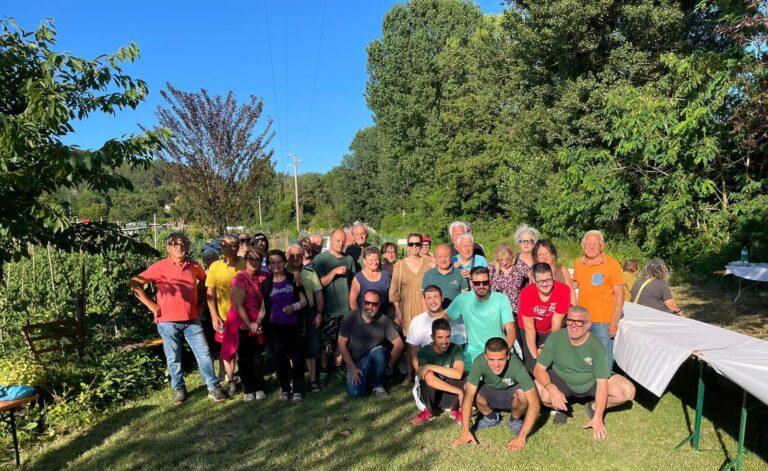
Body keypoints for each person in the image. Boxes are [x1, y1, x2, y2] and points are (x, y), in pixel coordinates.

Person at [129, 232, 226, 404]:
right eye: (175, 244)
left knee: (203, 354)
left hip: (192, 320)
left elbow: (206, 281)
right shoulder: (159, 267)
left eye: (183, 244)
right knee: (173, 357)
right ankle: (179, 389)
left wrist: (202, 302)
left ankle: (213, 387)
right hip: (167, 321)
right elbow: (134, 283)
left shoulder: (193, 266)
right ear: (168, 248)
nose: (180, 247)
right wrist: (151, 305)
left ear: (187, 247)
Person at [533, 306, 636, 436]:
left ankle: (593, 407)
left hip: (590, 381)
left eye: (579, 322)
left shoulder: (596, 345)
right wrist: (552, 389)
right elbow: (538, 369)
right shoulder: (555, 338)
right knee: (535, 390)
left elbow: (602, 383)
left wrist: (598, 417)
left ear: (588, 324)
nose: (573, 326)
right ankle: (560, 408)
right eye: (570, 320)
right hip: (562, 380)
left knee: (627, 391)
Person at [452, 337, 540, 452]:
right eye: (491, 360)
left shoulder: (517, 366)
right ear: (485, 356)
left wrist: (521, 438)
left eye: (501, 359)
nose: (496, 364)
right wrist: (465, 431)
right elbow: (468, 397)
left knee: (523, 393)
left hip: (511, 396)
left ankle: (515, 419)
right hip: (490, 393)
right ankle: (491, 417)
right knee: (467, 388)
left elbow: (535, 404)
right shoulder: (479, 362)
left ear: (508, 356)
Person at [572, 230, 624, 369]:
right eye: (588, 243)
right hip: (582, 321)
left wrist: (614, 320)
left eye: (595, 243)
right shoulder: (578, 263)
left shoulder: (612, 264)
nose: (591, 246)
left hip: (603, 322)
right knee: (584, 358)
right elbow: (575, 284)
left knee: (603, 359)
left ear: (602, 246)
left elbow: (620, 293)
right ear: (582, 246)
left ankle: (605, 387)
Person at [262, 249, 308, 403]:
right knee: (280, 359)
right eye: (272, 262)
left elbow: (304, 301)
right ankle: (285, 388)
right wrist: (256, 322)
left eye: (279, 262)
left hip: (293, 325)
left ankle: (298, 389)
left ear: (284, 263)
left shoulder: (293, 278)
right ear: (269, 265)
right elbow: (263, 307)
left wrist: (293, 307)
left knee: (297, 358)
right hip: (275, 328)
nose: (276, 265)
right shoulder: (266, 283)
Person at [338, 290, 404, 398]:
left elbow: (399, 344)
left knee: (379, 352)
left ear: (379, 305)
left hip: (375, 359)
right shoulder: (350, 317)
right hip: (355, 362)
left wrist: (389, 365)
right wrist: (352, 367)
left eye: (374, 304)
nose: (370, 306)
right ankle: (368, 381)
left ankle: (377, 383)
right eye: (367, 303)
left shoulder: (384, 320)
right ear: (363, 302)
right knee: (355, 395)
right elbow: (341, 344)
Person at [446, 267, 516, 368]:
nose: (481, 286)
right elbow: (443, 320)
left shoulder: (501, 299)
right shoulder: (462, 299)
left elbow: (510, 329)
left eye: (485, 282)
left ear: (490, 282)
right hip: (473, 352)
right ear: (471, 283)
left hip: (498, 352)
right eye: (477, 283)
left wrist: (505, 351)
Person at [224, 247, 267, 401]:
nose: (254, 262)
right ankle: (248, 389)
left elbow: (266, 301)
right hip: (242, 323)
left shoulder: (265, 276)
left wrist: (258, 321)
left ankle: (260, 386)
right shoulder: (239, 279)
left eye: (258, 260)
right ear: (246, 261)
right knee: (245, 357)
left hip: (258, 322)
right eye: (251, 259)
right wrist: (250, 324)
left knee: (257, 356)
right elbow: (238, 305)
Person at [313, 229, 356, 383]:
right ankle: (324, 371)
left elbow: (353, 284)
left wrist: (353, 307)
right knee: (327, 343)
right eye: (338, 240)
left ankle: (338, 369)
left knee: (341, 342)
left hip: (346, 310)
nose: (341, 243)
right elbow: (317, 284)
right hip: (329, 309)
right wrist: (334, 272)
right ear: (330, 240)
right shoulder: (320, 259)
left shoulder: (349, 259)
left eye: (343, 241)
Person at [205, 235, 244, 394]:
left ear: (237, 246)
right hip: (224, 317)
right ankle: (231, 380)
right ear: (221, 248)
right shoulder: (215, 266)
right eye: (225, 245)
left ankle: (248, 377)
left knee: (245, 349)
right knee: (228, 350)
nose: (229, 248)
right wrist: (214, 316)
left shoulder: (244, 263)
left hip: (244, 315)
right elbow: (210, 293)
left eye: (233, 245)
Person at [410, 318, 466, 425]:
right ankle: (430, 412)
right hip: (435, 395)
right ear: (432, 337)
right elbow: (430, 381)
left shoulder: (456, 348)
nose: (444, 341)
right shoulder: (424, 352)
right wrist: (458, 391)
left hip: (450, 394)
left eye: (447, 337)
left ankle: (456, 410)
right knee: (426, 381)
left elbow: (458, 374)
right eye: (440, 337)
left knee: (466, 376)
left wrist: (430, 366)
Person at [518, 263, 570, 372]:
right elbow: (529, 328)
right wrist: (536, 357)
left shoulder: (563, 290)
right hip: (529, 328)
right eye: (540, 281)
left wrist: (546, 348)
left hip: (550, 328)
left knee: (552, 360)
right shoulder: (526, 293)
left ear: (553, 277)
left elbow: (556, 323)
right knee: (532, 365)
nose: (545, 284)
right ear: (534, 280)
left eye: (548, 280)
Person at [288, 242, 325, 393]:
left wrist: (319, 313)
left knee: (312, 346)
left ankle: (313, 379)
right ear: (287, 257)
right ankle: (295, 380)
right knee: (292, 349)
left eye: (299, 255)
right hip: (290, 315)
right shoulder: (282, 274)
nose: (296, 258)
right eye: (292, 256)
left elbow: (318, 294)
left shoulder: (310, 273)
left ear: (303, 257)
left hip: (309, 313)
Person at [406, 286, 467, 374]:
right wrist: (421, 372)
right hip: (427, 369)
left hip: (450, 369)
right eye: (429, 298)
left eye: (436, 297)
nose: (433, 301)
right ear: (424, 300)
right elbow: (414, 351)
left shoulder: (456, 319)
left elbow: (459, 348)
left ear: (442, 298)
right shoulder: (417, 320)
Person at [390, 233, 432, 336]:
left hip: (424, 310)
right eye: (411, 244)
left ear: (421, 245)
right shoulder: (399, 265)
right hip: (405, 311)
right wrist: (398, 312)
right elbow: (394, 291)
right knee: (410, 345)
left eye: (417, 244)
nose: (414, 246)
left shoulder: (429, 265)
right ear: (407, 245)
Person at [487, 244, 529, 344]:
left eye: (507, 259)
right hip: (497, 309)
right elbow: (482, 278)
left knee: (517, 340)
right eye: (501, 260)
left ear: (512, 257)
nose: (504, 263)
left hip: (515, 310)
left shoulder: (519, 265)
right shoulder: (493, 266)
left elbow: (532, 275)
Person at [421, 243, 469, 309]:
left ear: (450, 256)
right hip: (434, 315)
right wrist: (426, 316)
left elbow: (465, 298)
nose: (443, 260)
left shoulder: (460, 273)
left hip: (455, 315)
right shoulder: (428, 274)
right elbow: (423, 298)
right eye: (440, 257)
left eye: (446, 256)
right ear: (435, 258)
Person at [533, 239, 576, 305]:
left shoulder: (563, 270)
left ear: (553, 254)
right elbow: (531, 296)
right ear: (537, 258)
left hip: (564, 311)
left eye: (547, 253)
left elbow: (572, 294)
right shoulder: (533, 274)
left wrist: (574, 311)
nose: (544, 257)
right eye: (541, 255)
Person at [349, 246, 391, 313]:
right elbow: (352, 300)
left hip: (382, 318)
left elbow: (391, 296)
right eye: (371, 260)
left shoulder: (386, 275)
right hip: (364, 318)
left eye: (377, 259)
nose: (375, 262)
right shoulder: (358, 278)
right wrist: (357, 317)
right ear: (364, 261)